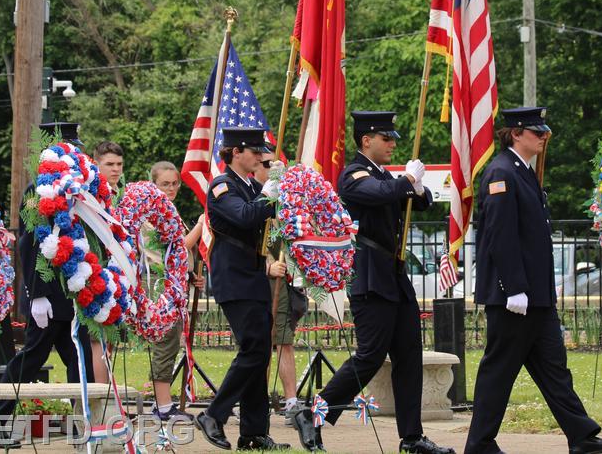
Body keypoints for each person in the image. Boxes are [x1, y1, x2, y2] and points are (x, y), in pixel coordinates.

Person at [464, 107, 602, 454]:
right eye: (536, 132)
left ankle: (581, 436)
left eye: (543, 132)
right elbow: (501, 235)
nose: (543, 137)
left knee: (554, 369)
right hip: (515, 297)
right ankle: (479, 444)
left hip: (536, 296)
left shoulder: (522, 172)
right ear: (516, 133)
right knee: (499, 371)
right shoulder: (501, 172)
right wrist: (515, 287)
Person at [291, 111, 454, 454]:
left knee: (408, 356)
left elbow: (419, 203)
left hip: (393, 277)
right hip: (370, 276)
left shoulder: (384, 175)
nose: (393, 143)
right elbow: (379, 193)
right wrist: (406, 180)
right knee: (370, 355)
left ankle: (411, 438)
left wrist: (418, 185)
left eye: (394, 138)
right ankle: (313, 414)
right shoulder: (353, 175)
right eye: (386, 138)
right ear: (366, 140)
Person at [0, 121, 94, 443]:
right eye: (72, 150)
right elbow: (30, 244)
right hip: (48, 296)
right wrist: (37, 295)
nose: (78, 155)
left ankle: (84, 421)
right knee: (32, 358)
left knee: (78, 359)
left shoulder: (78, 192)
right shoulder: (39, 191)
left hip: (72, 293)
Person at [194, 128, 290, 451]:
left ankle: (253, 432)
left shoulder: (250, 185)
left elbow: (270, 220)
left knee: (260, 352)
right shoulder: (223, 186)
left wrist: (282, 194)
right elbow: (246, 216)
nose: (260, 157)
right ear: (235, 152)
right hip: (235, 278)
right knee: (254, 349)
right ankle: (213, 415)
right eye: (254, 151)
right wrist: (270, 194)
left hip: (253, 276)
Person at [144, 160, 206, 423]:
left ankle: (165, 403)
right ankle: (162, 406)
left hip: (175, 284)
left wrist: (190, 275)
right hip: (160, 287)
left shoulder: (169, 210)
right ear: (153, 185)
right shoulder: (152, 213)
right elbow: (176, 249)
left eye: (174, 183)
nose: (171, 188)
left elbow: (178, 257)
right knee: (164, 343)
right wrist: (201, 226)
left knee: (170, 344)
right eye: (164, 184)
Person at [255, 149, 305, 424]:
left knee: (282, 341)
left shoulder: (284, 200)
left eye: (278, 165)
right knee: (254, 345)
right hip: (253, 282)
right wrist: (265, 265)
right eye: (267, 165)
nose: (274, 169)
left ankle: (291, 402)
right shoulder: (248, 196)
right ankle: (256, 399)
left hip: (279, 283)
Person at [87, 139, 125, 385]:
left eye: (119, 164)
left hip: (118, 270)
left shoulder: (121, 194)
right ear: (96, 164)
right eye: (109, 164)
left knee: (110, 339)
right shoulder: (91, 195)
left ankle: (110, 395)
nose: (115, 169)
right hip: (95, 270)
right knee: (97, 338)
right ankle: (102, 399)